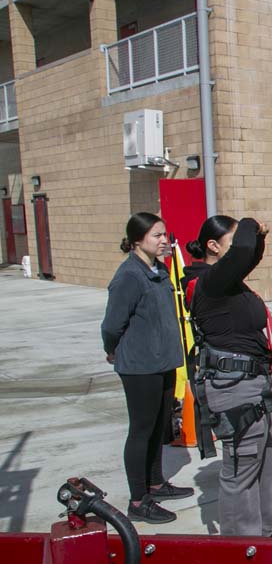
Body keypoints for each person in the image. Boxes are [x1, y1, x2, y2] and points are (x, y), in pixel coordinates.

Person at [182, 215, 272, 537]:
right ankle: (243, 549)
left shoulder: (226, 282)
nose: (244, 244)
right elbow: (242, 252)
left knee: (263, 463)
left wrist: (259, 238)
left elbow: (247, 253)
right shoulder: (210, 282)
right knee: (240, 470)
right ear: (213, 246)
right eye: (234, 238)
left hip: (251, 386)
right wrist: (251, 222)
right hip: (234, 388)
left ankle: (262, 538)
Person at [101, 212, 189, 524]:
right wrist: (111, 350)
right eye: (157, 236)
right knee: (141, 430)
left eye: (165, 234)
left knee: (158, 426)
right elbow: (112, 324)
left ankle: (155, 482)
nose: (164, 240)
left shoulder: (159, 270)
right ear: (137, 240)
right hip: (140, 366)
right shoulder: (129, 276)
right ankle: (139, 500)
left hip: (163, 361)